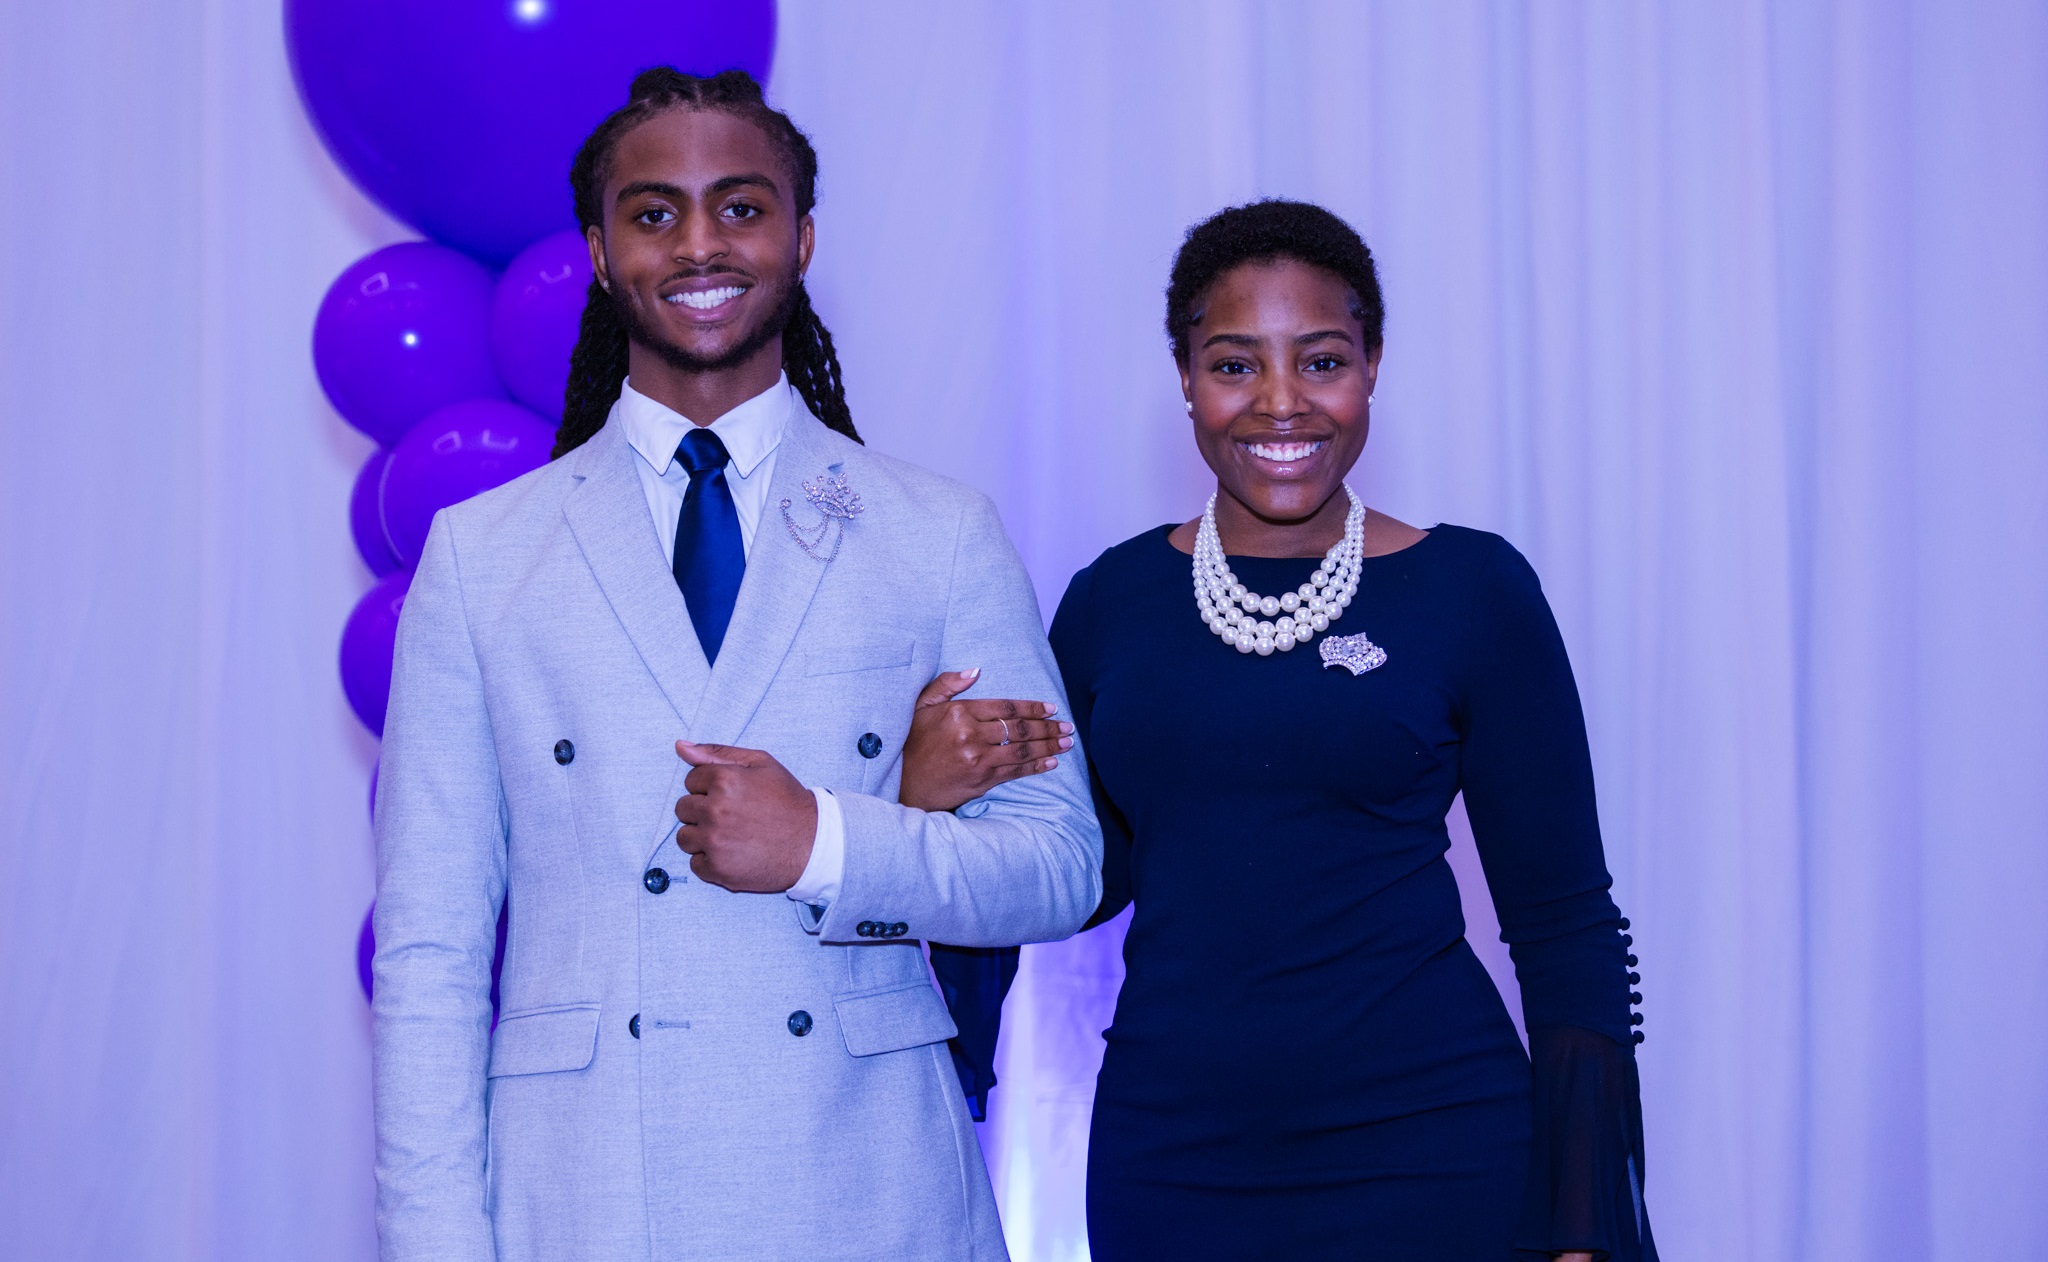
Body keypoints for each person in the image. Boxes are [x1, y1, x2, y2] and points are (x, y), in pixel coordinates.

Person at [370, 68, 1101, 1262]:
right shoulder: (483, 554)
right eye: (653, 213)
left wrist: (824, 837)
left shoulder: (934, 530)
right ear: (599, 253)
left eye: (741, 207)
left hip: (866, 1184)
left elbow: (1057, 865)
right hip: (590, 1185)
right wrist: (435, 1241)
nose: (699, 243)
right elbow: (431, 950)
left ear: (801, 237)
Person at [911, 200, 1656, 1260]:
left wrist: (1585, 1220)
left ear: (1371, 364)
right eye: (1231, 365)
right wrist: (941, 802)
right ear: (1181, 375)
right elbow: (1073, 877)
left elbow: (1566, 921)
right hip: (1172, 1155)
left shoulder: (1471, 589)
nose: (1278, 403)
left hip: (1433, 1146)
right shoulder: (1112, 598)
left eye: (1318, 361)